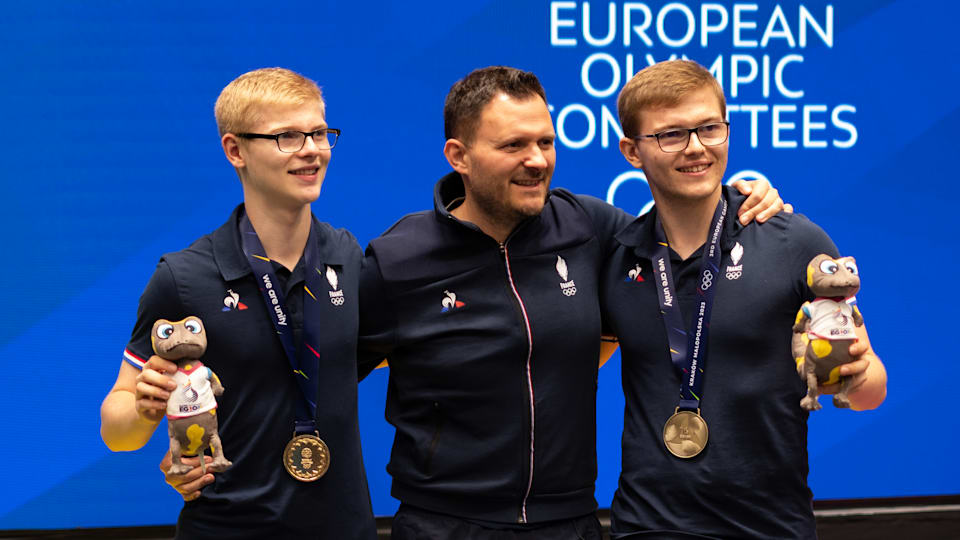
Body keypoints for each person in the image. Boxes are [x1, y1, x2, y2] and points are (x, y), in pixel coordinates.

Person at [356, 66, 785, 540]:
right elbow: (331, 374)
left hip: (571, 521)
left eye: (545, 142)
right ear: (459, 155)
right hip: (444, 524)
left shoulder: (589, 227)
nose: (537, 160)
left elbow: (687, 236)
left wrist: (746, 200)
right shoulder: (398, 259)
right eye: (513, 146)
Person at [601, 59, 887, 539]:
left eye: (709, 128)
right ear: (632, 151)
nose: (696, 148)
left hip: (769, 527)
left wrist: (855, 374)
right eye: (671, 134)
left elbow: (869, 390)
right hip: (647, 526)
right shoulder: (616, 258)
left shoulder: (794, 242)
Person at [99, 68, 376, 540]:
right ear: (235, 150)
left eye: (318, 132)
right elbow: (117, 431)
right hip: (228, 527)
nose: (311, 149)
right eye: (287, 136)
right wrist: (145, 410)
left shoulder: (348, 257)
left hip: (345, 527)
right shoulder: (183, 277)